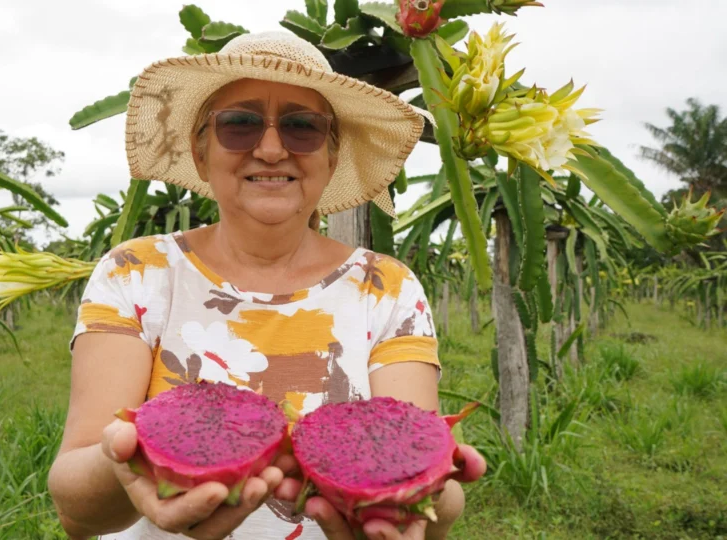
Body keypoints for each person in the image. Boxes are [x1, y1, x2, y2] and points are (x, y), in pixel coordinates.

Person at [48, 32, 486, 540]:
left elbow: (429, 496)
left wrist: (435, 495)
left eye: (303, 127)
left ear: (332, 154)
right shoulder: (134, 272)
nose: (272, 148)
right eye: (240, 124)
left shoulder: (387, 287)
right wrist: (131, 456)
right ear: (200, 147)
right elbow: (75, 511)